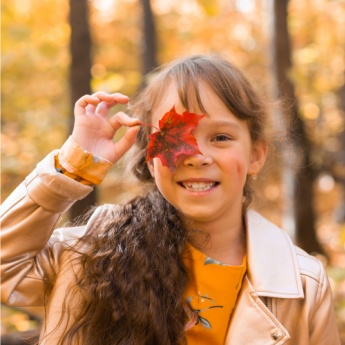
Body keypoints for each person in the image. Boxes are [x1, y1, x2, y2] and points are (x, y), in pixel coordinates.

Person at [0, 55, 340, 345]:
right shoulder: (92, 252)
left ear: (256, 156)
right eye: (176, 138)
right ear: (149, 155)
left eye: (220, 137)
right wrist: (74, 167)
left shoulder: (303, 285)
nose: (196, 156)